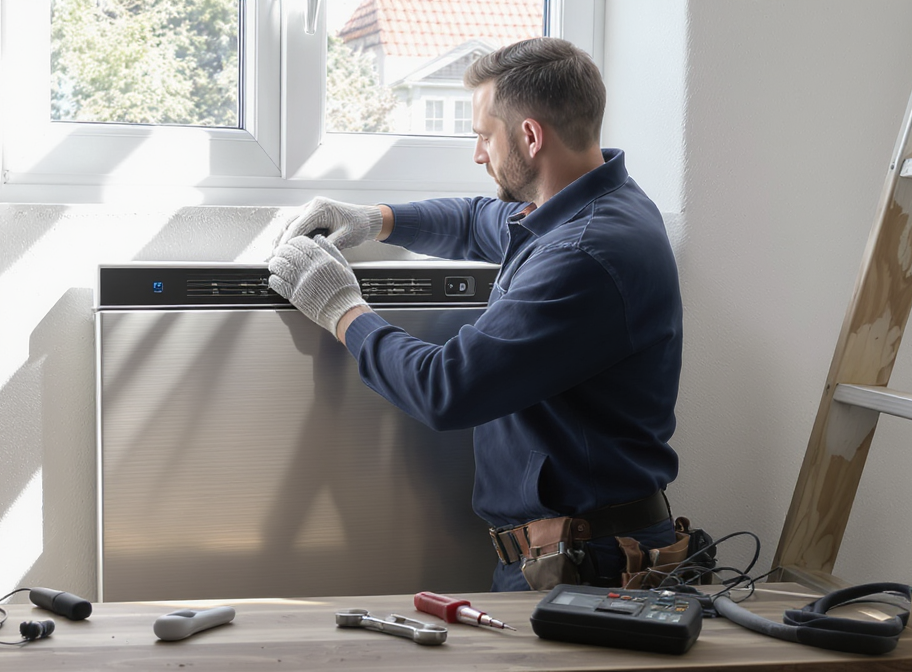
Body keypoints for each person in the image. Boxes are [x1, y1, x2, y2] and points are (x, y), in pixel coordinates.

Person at [267, 37, 683, 591]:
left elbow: (448, 388)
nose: (479, 154)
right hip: (573, 550)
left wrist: (341, 308)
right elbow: (475, 220)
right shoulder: (592, 206)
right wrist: (376, 218)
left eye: (485, 136)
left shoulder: (583, 254)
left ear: (531, 136)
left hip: (587, 565)